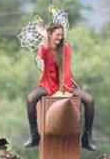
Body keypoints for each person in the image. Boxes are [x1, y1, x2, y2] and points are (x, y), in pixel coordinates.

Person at [23, 22, 96, 151]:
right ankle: (34, 135)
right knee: (30, 99)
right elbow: (44, 51)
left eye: (62, 35)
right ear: (50, 35)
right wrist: (45, 36)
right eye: (57, 35)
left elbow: (66, 70)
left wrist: (65, 90)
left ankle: (87, 138)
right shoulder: (44, 48)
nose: (60, 37)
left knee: (89, 100)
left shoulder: (66, 48)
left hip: (66, 86)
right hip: (48, 86)